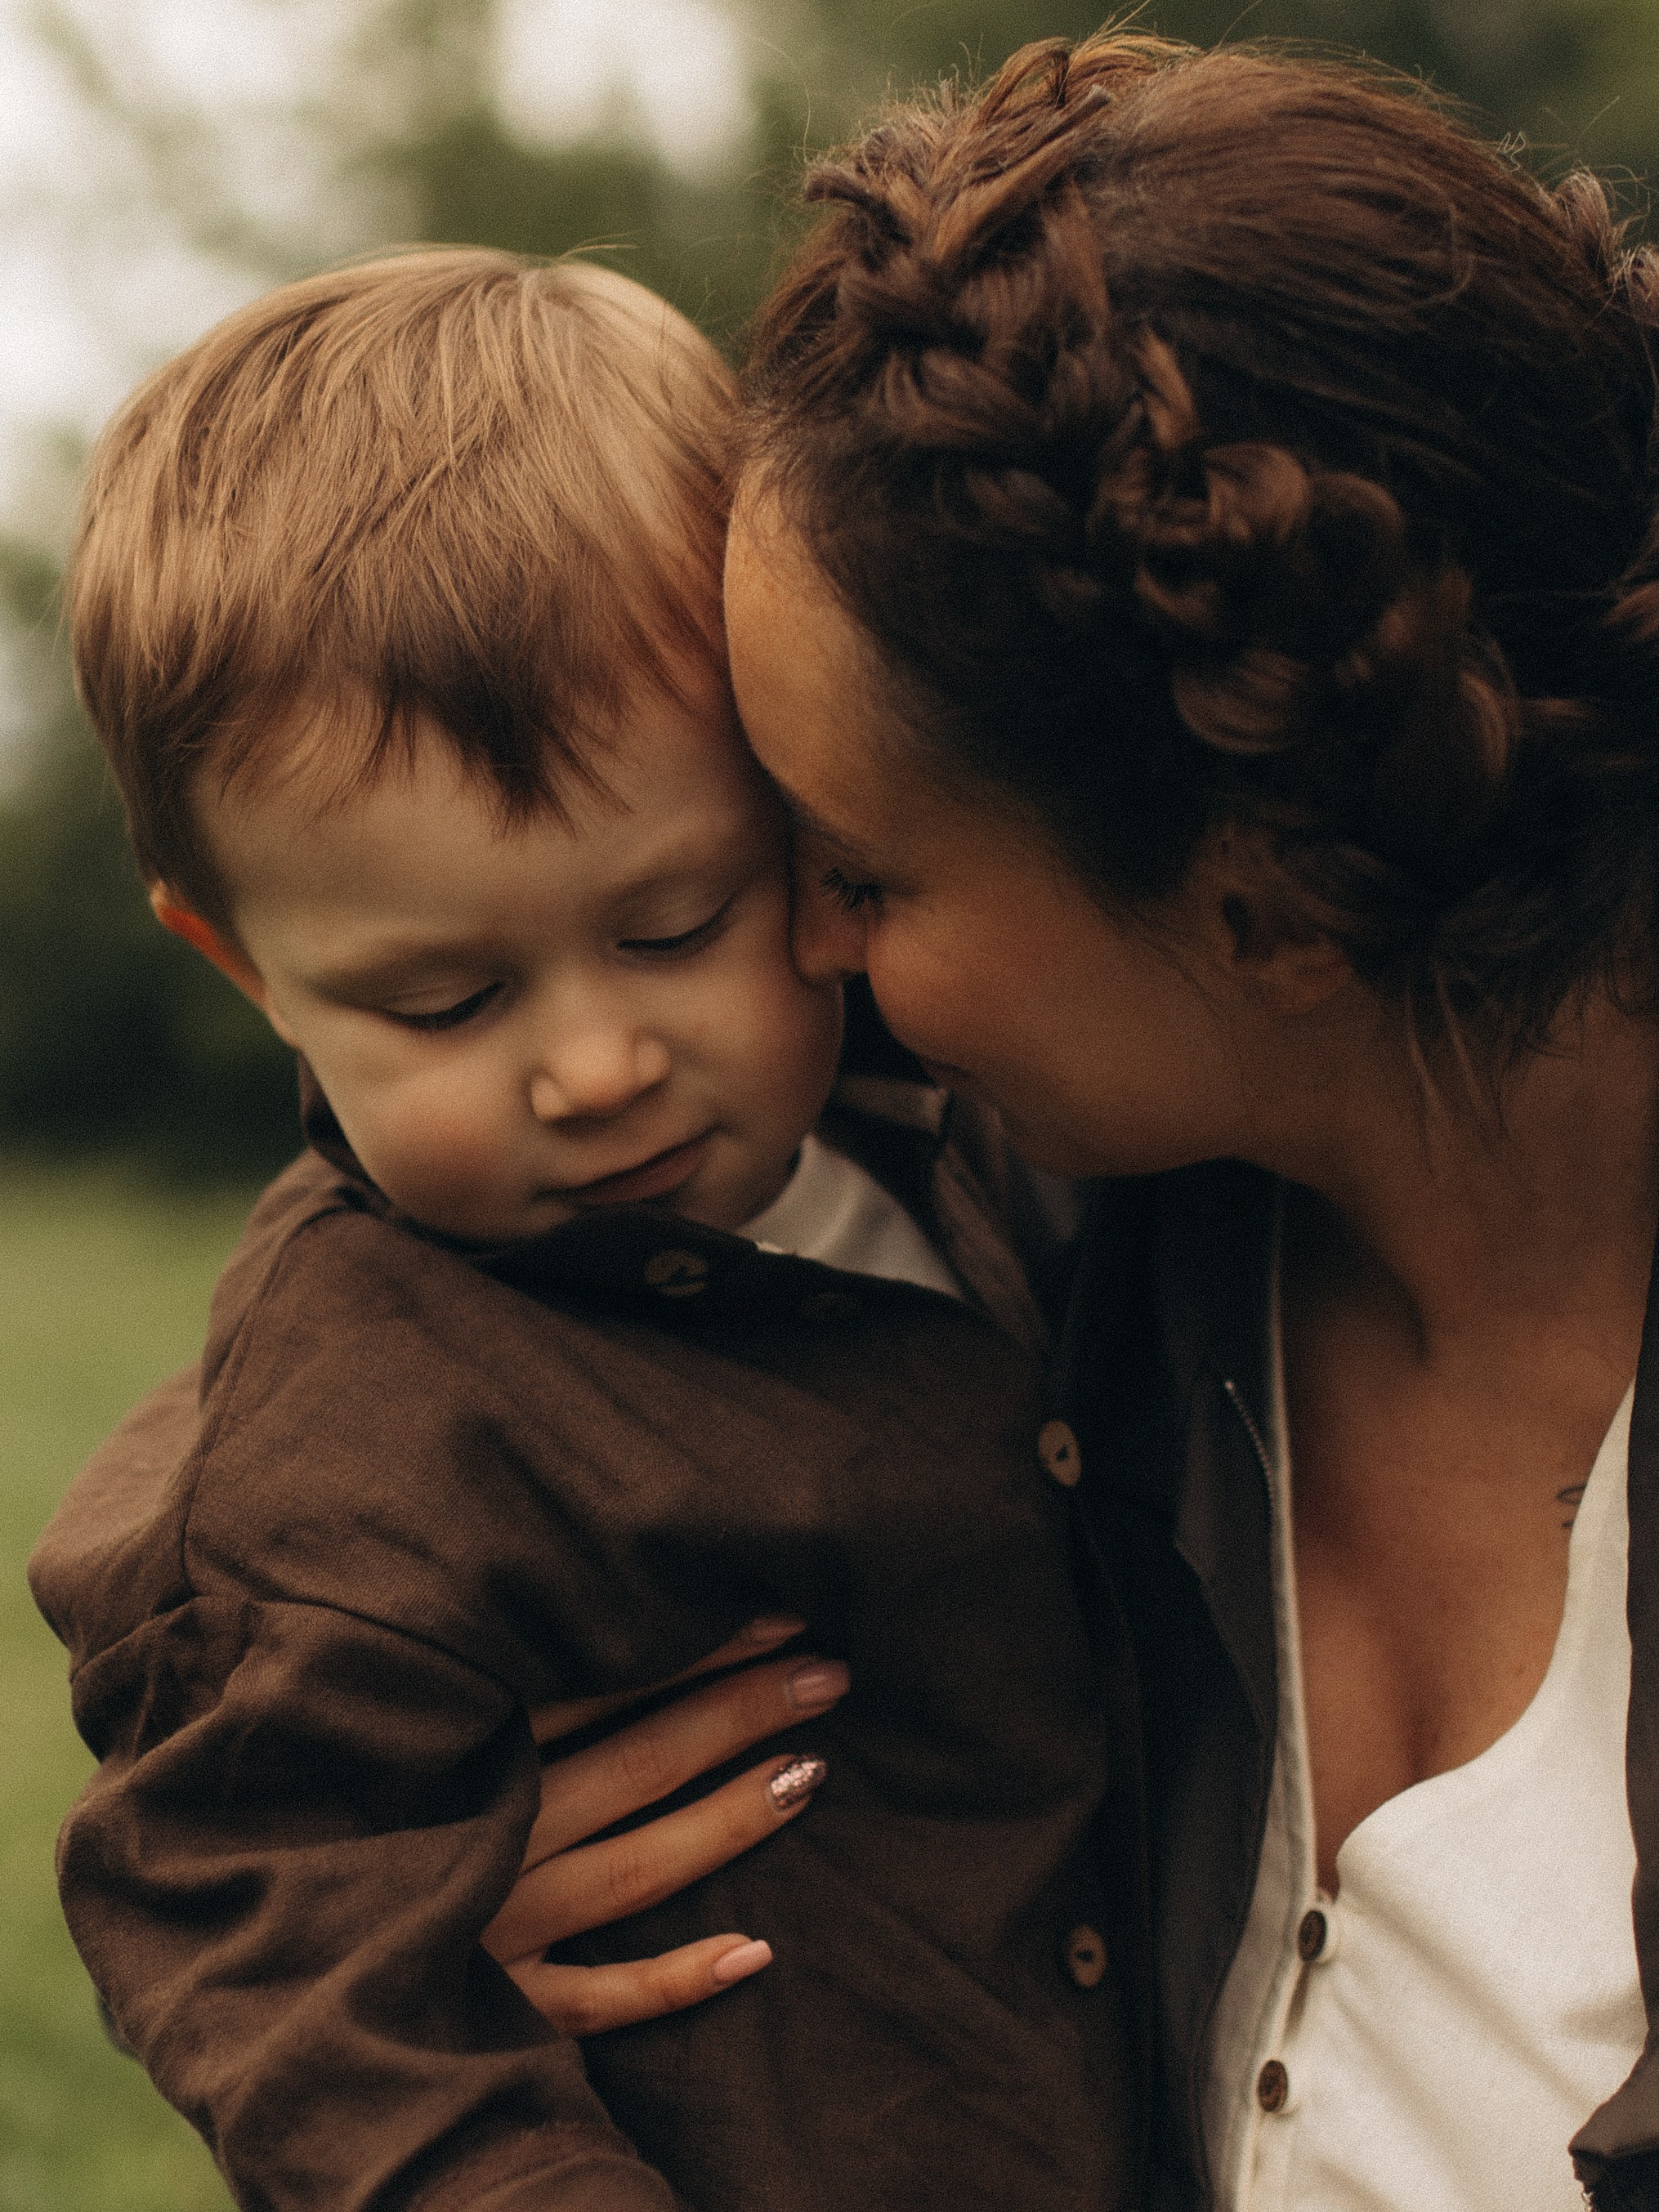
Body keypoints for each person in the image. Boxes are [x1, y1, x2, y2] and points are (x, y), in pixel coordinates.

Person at [488, 29, 1659, 2212]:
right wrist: (400, 1921)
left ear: (1264, 901)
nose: (803, 955)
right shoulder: (1004, 1253)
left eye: (861, 871)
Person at [28, 248, 1138, 2212]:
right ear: (246, 967)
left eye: (677, 925)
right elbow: (288, 1982)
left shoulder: (963, 1111)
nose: (597, 1067)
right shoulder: (342, 1460)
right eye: (446, 1000)